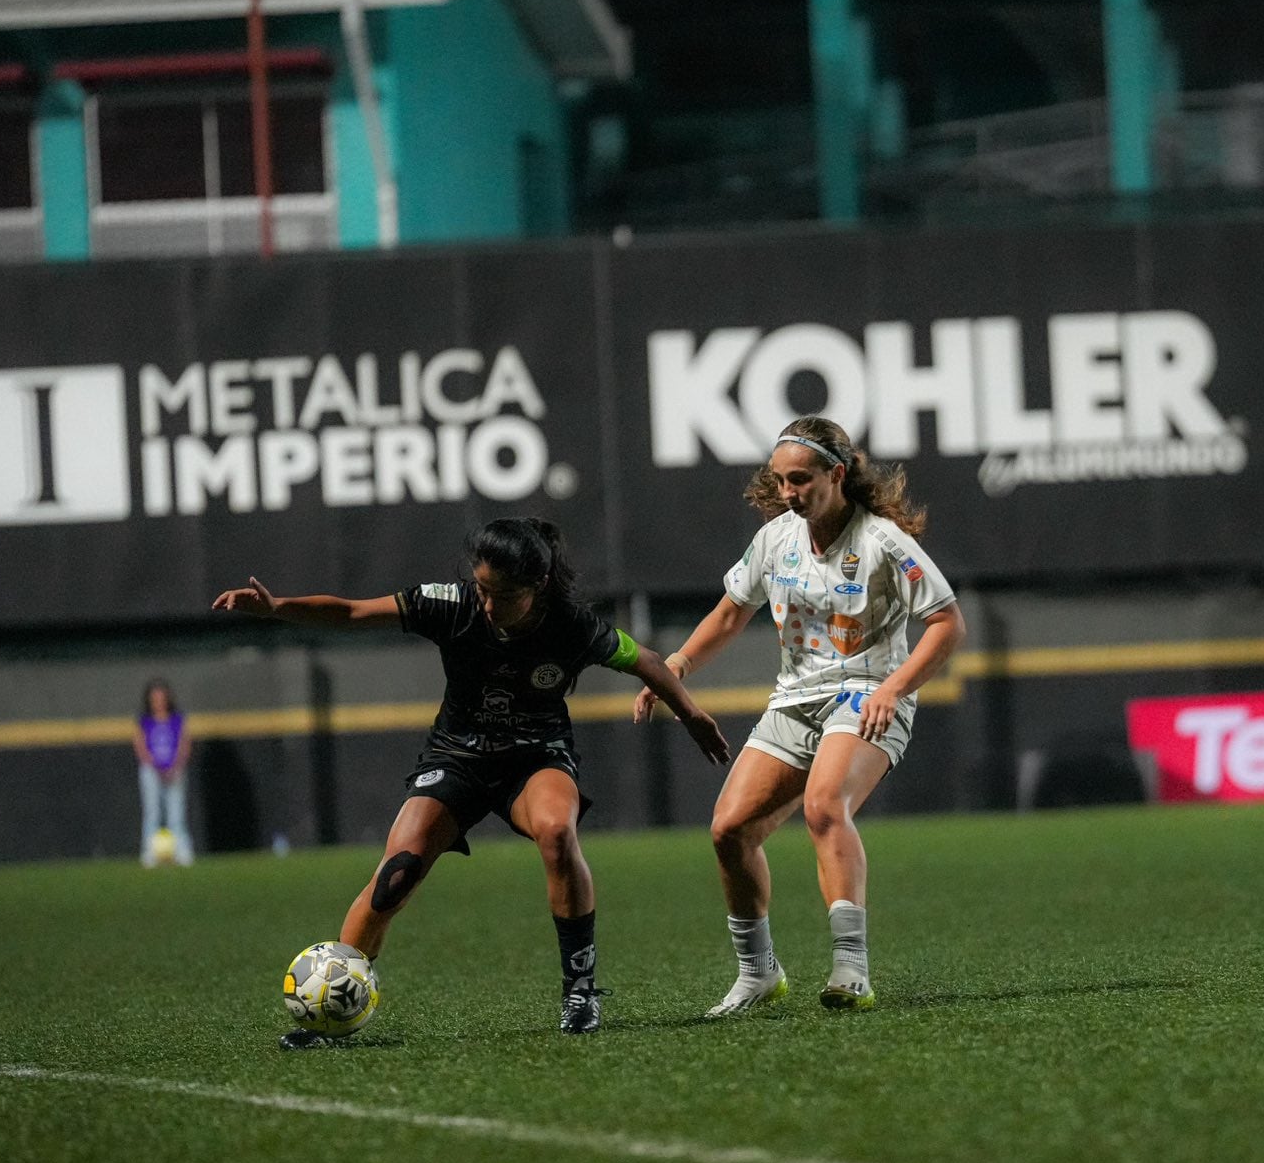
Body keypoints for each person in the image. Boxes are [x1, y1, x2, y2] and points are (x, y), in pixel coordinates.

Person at [213, 516, 730, 1045]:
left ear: (537, 586)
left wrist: (691, 715)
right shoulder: (450, 603)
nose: (486, 603)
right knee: (398, 870)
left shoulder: (571, 626)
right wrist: (278, 609)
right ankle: (331, 1013)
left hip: (536, 756)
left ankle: (580, 990)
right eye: (481, 588)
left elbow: (646, 660)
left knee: (557, 831)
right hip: (456, 756)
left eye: (501, 594)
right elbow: (352, 611)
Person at [635, 416, 965, 1016]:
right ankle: (759, 973)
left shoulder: (883, 542)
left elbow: (946, 624)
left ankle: (851, 968)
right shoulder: (776, 539)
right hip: (794, 701)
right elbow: (733, 612)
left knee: (822, 806)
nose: (788, 492)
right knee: (729, 830)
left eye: (800, 479)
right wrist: (678, 664)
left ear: (837, 475)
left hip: (866, 694)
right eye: (780, 480)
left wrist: (895, 687)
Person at [135, 679, 195, 867]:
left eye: (162, 697)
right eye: (155, 698)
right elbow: (140, 745)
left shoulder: (178, 719)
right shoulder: (144, 721)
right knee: (152, 812)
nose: (159, 701)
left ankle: (182, 851)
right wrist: (154, 766)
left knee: (176, 812)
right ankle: (149, 853)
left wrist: (175, 766)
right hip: (151, 771)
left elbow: (185, 744)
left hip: (175, 770)